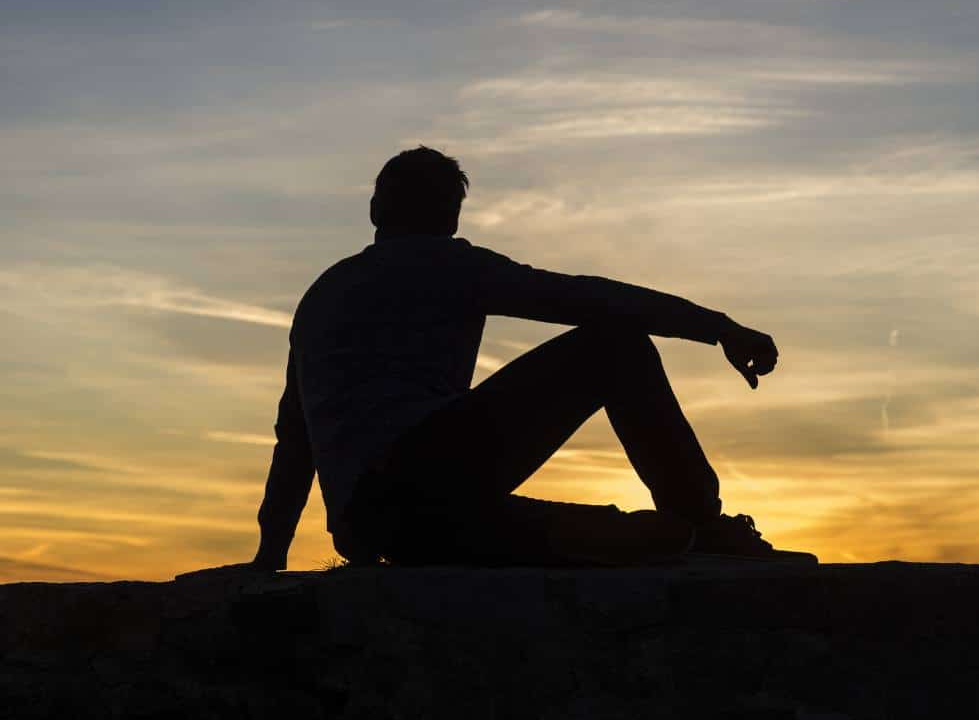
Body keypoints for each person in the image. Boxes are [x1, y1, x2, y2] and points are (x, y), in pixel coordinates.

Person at [246, 145, 814, 571]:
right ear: (452, 217)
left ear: (374, 209)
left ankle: (683, 534)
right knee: (615, 345)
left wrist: (271, 555)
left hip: (385, 530)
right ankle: (704, 525)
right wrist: (717, 327)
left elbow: (295, 438)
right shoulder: (452, 265)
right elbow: (589, 298)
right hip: (427, 483)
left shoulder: (321, 295)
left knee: (653, 540)